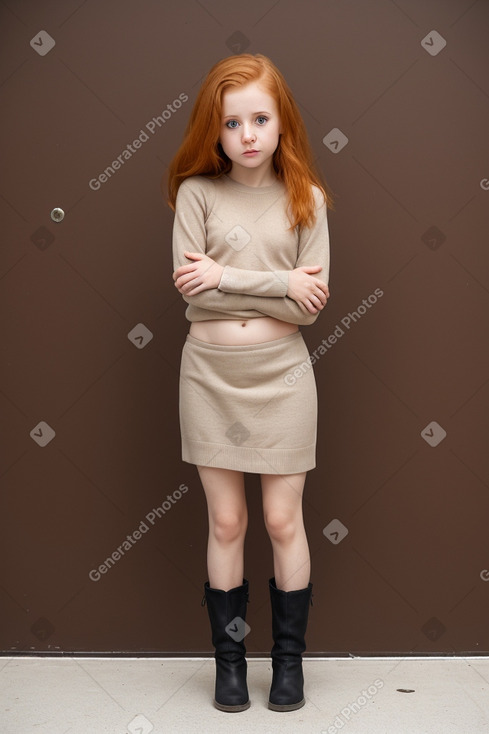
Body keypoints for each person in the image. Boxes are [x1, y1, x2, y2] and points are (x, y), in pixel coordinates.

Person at [164, 52, 334, 713]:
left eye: (259, 118)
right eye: (232, 122)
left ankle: (287, 667)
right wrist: (278, 283)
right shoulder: (195, 195)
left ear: (280, 122)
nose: (248, 135)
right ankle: (228, 666)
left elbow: (310, 306)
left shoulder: (307, 200)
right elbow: (193, 296)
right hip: (208, 375)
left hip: (283, 377)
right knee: (228, 521)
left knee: (281, 519)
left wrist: (229, 277)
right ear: (215, 130)